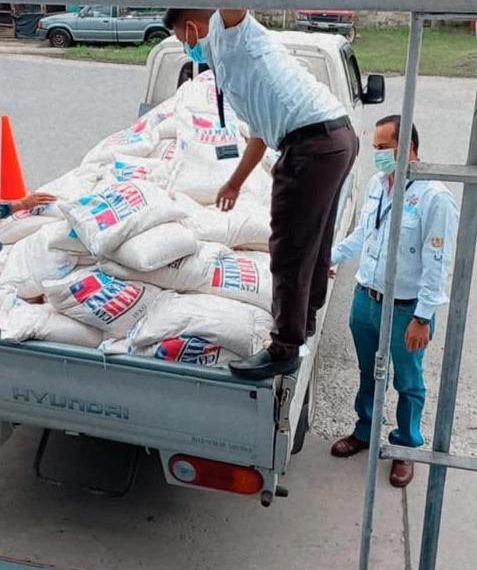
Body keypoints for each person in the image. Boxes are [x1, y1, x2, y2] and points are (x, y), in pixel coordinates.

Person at [164, 8, 358, 380]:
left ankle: (285, 348)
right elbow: (260, 133)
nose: (187, 48)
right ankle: (305, 317)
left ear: (190, 28)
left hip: (312, 144)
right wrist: (235, 183)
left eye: (180, 40)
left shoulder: (228, 30)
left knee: (289, 247)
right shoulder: (229, 64)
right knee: (314, 240)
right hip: (334, 138)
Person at [329, 115, 458, 487]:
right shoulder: (377, 184)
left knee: (408, 381)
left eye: (384, 148)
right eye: (376, 149)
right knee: (369, 371)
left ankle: (405, 447)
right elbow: (362, 235)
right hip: (366, 299)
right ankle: (365, 430)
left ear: (409, 148)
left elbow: (438, 263)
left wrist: (423, 317)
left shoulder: (435, 197)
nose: (379, 156)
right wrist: (329, 258)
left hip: (406, 310)